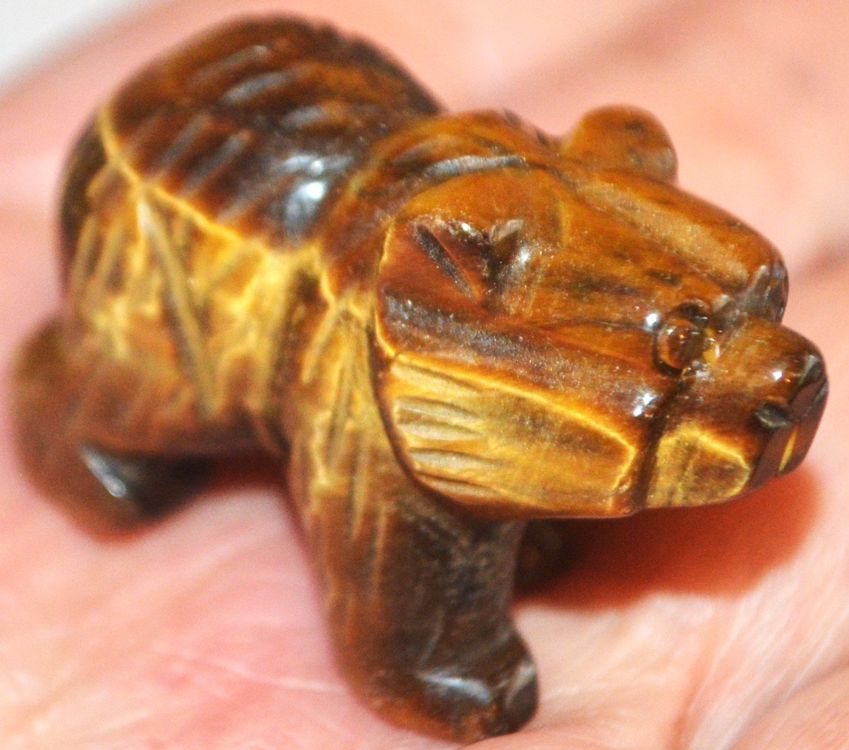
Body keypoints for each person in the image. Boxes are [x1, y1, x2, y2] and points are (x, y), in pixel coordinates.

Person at [0, 2, 846, 747]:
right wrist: (435, 658)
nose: (785, 374)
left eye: (756, 307)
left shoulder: (493, 286)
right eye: (684, 348)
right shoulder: (411, 339)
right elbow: (389, 553)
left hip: (333, 134)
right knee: (135, 395)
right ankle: (64, 414)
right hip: (177, 204)